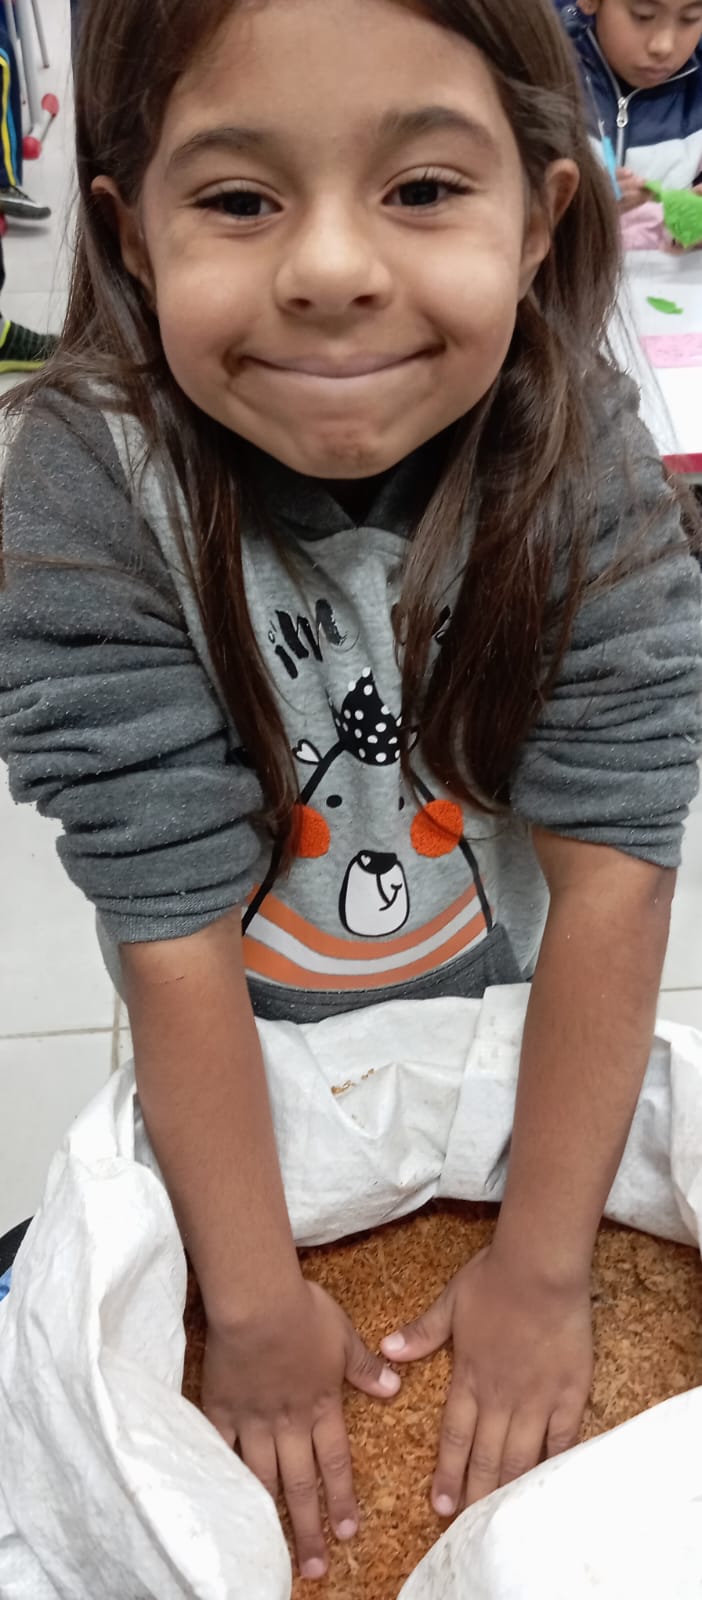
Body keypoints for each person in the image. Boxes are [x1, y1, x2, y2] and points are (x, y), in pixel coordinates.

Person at [0, 0, 700, 1583]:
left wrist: (541, 1270)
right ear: (130, 231)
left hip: (507, 1022)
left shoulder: (580, 451)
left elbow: (614, 868)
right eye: (240, 197)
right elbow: (168, 920)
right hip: (237, 1053)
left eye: (422, 188)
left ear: (541, 214)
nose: (329, 267)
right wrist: (249, 1306)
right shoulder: (90, 481)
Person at [556, 1, 702, 210]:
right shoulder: (540, 72)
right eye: (643, 15)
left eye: (690, 18)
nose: (663, 46)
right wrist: (585, 210)